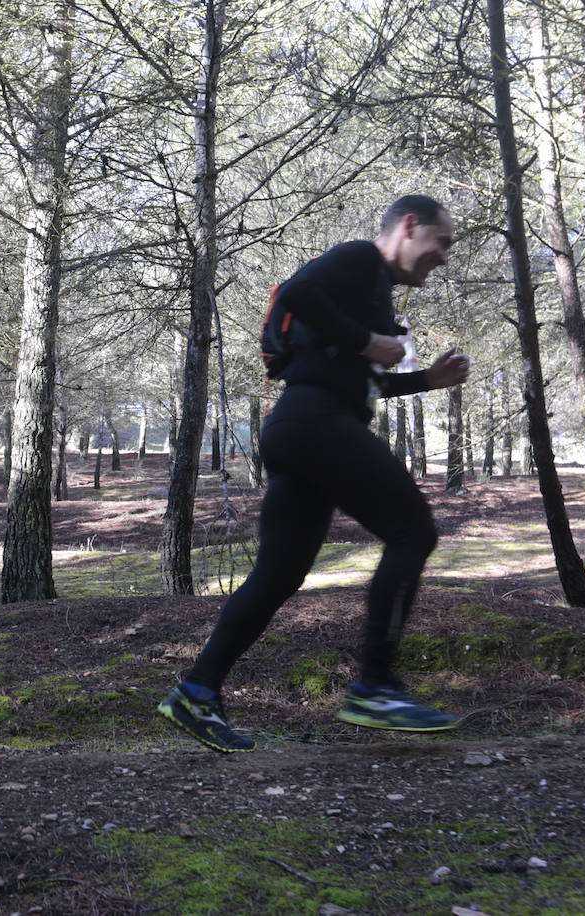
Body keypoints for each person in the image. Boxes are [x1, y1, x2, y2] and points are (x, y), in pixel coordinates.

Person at [158, 195, 471, 753]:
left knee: (279, 575)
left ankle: (196, 690)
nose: (443, 257)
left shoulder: (371, 294)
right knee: (413, 532)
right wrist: (367, 341)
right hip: (316, 424)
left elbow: (358, 381)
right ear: (409, 226)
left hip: (301, 428)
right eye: (441, 243)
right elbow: (297, 291)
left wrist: (427, 379)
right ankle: (376, 687)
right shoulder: (359, 259)